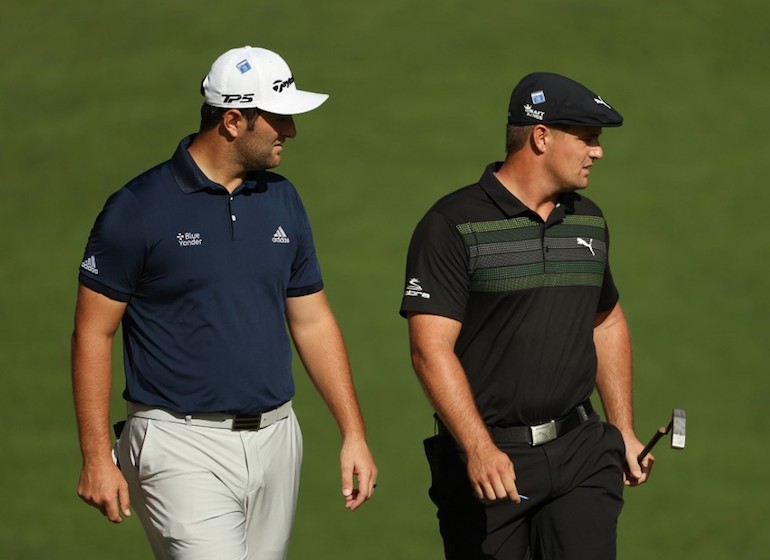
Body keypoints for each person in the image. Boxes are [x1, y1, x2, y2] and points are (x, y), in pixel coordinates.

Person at [72, 45, 377, 560]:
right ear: (234, 121)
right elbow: (92, 333)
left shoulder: (282, 199)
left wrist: (353, 432)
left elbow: (313, 321)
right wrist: (97, 455)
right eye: (279, 118)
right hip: (179, 445)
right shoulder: (137, 209)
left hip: (278, 440)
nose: (291, 132)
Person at [399, 72, 650, 560]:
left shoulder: (588, 220)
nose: (597, 152)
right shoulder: (451, 224)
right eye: (587, 138)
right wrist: (477, 447)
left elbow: (608, 320)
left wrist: (621, 428)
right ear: (541, 136)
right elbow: (429, 349)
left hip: (582, 454)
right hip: (492, 465)